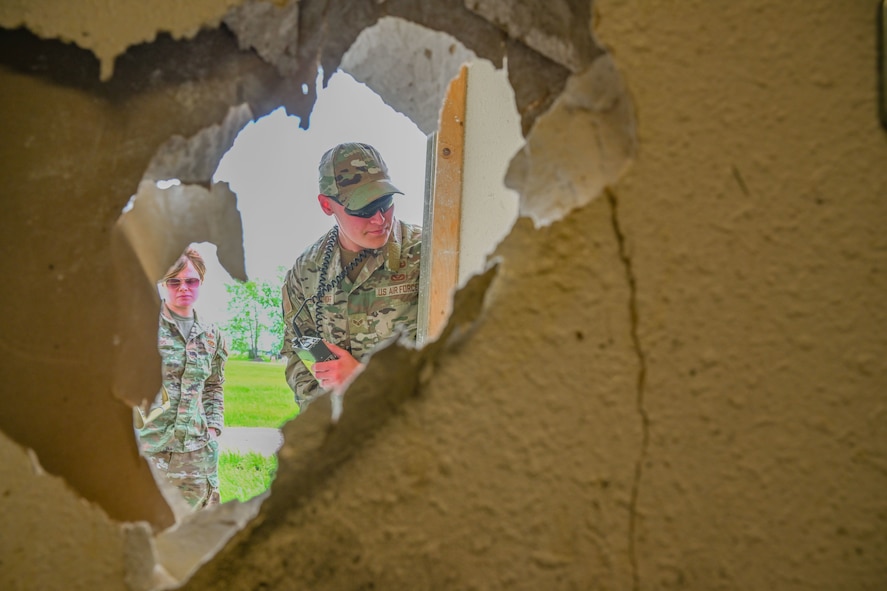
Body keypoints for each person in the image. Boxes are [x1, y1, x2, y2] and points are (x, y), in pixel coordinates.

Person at [281, 142, 422, 412]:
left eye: (386, 202)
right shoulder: (305, 271)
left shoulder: (425, 254)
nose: (380, 219)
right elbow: (296, 349)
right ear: (326, 205)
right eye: (364, 209)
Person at [136, 247, 228, 510]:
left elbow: (213, 384)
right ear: (163, 284)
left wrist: (212, 428)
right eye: (173, 282)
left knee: (197, 533)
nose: (183, 288)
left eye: (191, 281)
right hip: (149, 449)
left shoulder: (212, 335)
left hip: (196, 455)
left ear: (201, 281)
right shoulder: (142, 329)